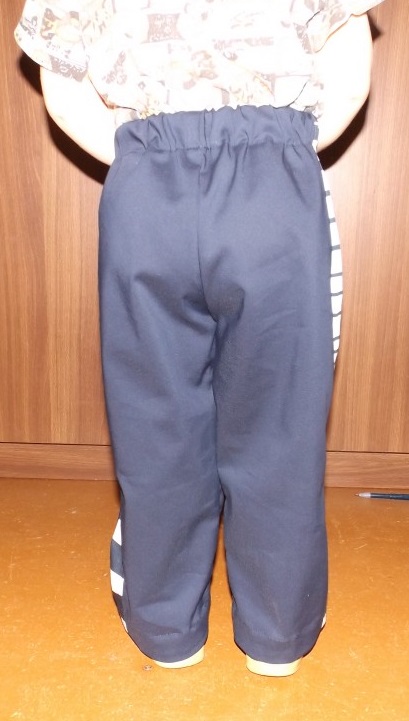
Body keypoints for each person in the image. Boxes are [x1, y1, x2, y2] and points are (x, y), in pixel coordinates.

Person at [15, 0, 383, 676]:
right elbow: (349, 59)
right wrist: (283, 150)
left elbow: (62, 85)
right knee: (279, 421)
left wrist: (143, 155)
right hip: (271, 182)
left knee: (155, 420)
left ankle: (167, 630)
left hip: (147, 186)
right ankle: (277, 633)